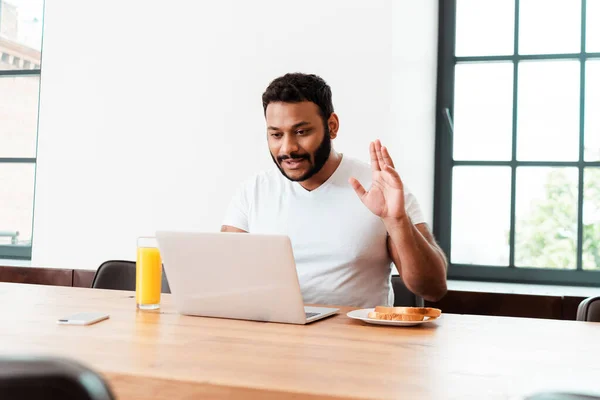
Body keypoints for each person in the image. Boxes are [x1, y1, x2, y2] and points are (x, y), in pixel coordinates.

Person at [221, 73, 447, 307]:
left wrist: (397, 220)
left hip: (357, 340)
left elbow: (432, 288)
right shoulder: (253, 191)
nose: (288, 148)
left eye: (301, 132)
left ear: (332, 126)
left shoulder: (380, 189)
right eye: (276, 135)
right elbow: (222, 280)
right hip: (275, 337)